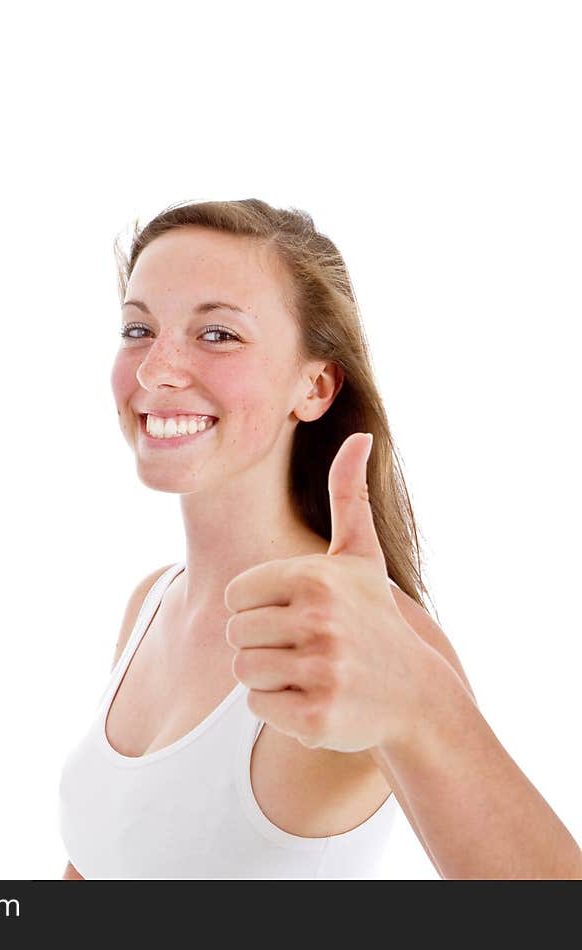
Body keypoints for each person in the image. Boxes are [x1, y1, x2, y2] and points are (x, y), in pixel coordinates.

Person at [57, 198, 582, 880]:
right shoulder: (151, 604)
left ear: (314, 386)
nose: (156, 369)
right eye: (138, 328)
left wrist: (424, 703)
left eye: (217, 334)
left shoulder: (371, 635)